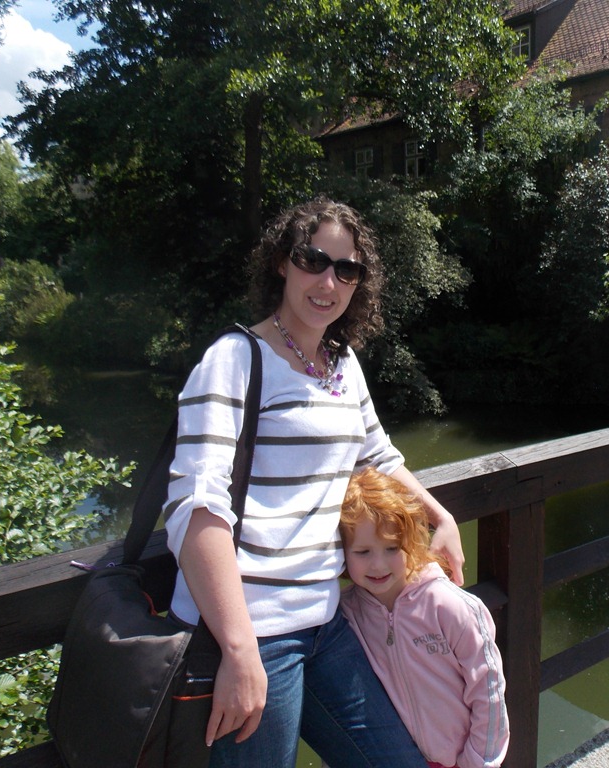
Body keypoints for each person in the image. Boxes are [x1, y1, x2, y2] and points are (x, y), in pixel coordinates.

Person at [164, 198, 466, 768]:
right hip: (253, 630)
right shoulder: (235, 358)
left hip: (327, 621)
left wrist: (440, 516)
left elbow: (376, 456)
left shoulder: (341, 364)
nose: (329, 282)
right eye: (313, 260)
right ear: (282, 262)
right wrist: (239, 649)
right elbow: (196, 507)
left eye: (346, 269)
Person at [339, 467, 509, 768]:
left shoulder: (449, 606)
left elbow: (488, 688)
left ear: (412, 541)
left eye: (392, 548)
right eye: (363, 552)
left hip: (461, 760)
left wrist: (477, 761)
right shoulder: (348, 612)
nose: (378, 565)